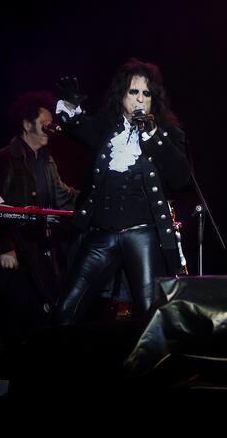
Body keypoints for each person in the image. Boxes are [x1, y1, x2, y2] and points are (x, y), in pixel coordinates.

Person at [50, 58, 190, 325]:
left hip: (143, 235)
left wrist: (155, 136)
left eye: (146, 93)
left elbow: (181, 177)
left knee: (151, 314)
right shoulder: (106, 126)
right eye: (133, 92)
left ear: (154, 99)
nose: (139, 99)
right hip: (101, 235)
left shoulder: (167, 132)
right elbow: (78, 128)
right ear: (121, 95)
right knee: (66, 309)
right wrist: (71, 106)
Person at [0, 91, 79, 372]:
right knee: (13, 326)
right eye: (45, 122)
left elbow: (62, 196)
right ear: (26, 123)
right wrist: (5, 245)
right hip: (12, 257)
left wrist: (98, 194)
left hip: (39, 257)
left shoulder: (46, 160)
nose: (50, 128)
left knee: (39, 327)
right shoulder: (2, 158)